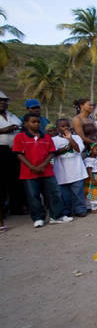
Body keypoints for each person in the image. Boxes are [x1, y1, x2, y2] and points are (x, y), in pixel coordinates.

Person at [12, 113, 73, 228]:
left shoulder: (46, 137)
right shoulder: (20, 137)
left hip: (47, 170)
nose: (37, 124)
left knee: (54, 193)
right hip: (29, 172)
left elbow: (51, 153)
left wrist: (43, 165)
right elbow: (19, 154)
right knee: (33, 195)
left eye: (38, 122)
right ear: (26, 124)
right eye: (33, 122)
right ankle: (38, 217)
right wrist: (32, 167)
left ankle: (56, 215)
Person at [52, 119, 88, 217]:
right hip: (61, 172)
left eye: (67, 125)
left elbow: (78, 150)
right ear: (57, 128)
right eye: (62, 126)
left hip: (77, 171)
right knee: (64, 195)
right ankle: (66, 211)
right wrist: (64, 149)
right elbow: (53, 153)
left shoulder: (76, 137)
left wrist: (70, 139)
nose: (65, 128)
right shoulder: (54, 140)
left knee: (78, 193)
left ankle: (80, 209)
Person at [0, 90, 26, 229]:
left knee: (16, 179)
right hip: (1, 150)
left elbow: (21, 127)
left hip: (15, 150)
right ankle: (3, 211)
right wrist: (5, 130)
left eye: (4, 101)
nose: (3, 103)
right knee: (2, 181)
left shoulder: (12, 115)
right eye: (0, 101)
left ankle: (17, 207)